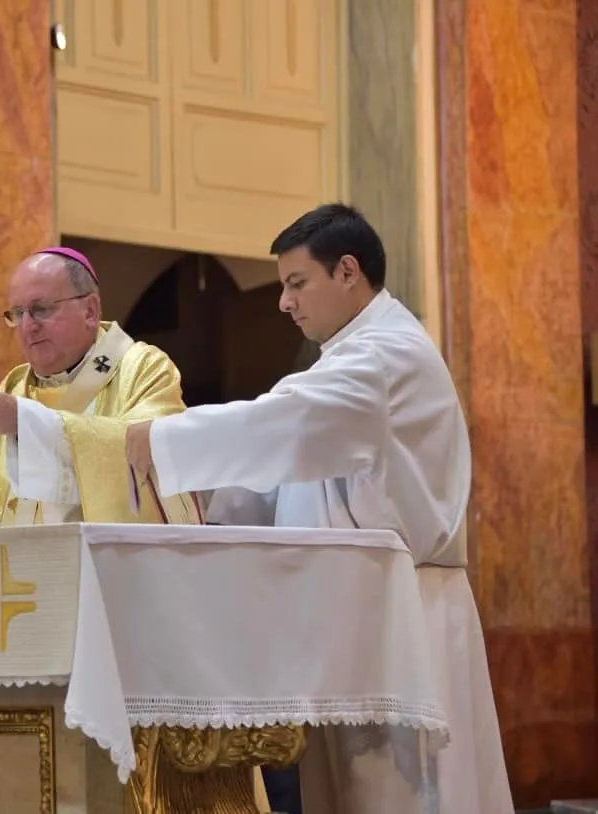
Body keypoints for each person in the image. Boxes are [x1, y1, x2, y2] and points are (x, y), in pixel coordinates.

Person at [125, 203, 513, 814]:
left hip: (404, 617)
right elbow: (288, 479)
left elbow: (286, 423)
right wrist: (194, 502)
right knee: (352, 791)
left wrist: (163, 442)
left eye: (296, 282)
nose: (284, 302)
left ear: (348, 271)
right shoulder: (349, 358)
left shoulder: (384, 354)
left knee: (404, 793)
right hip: (358, 615)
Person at [0, 247, 203, 526]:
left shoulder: (142, 368)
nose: (27, 326)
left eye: (41, 309)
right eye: (18, 314)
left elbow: (154, 452)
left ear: (90, 310)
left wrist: (27, 423)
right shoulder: (13, 388)